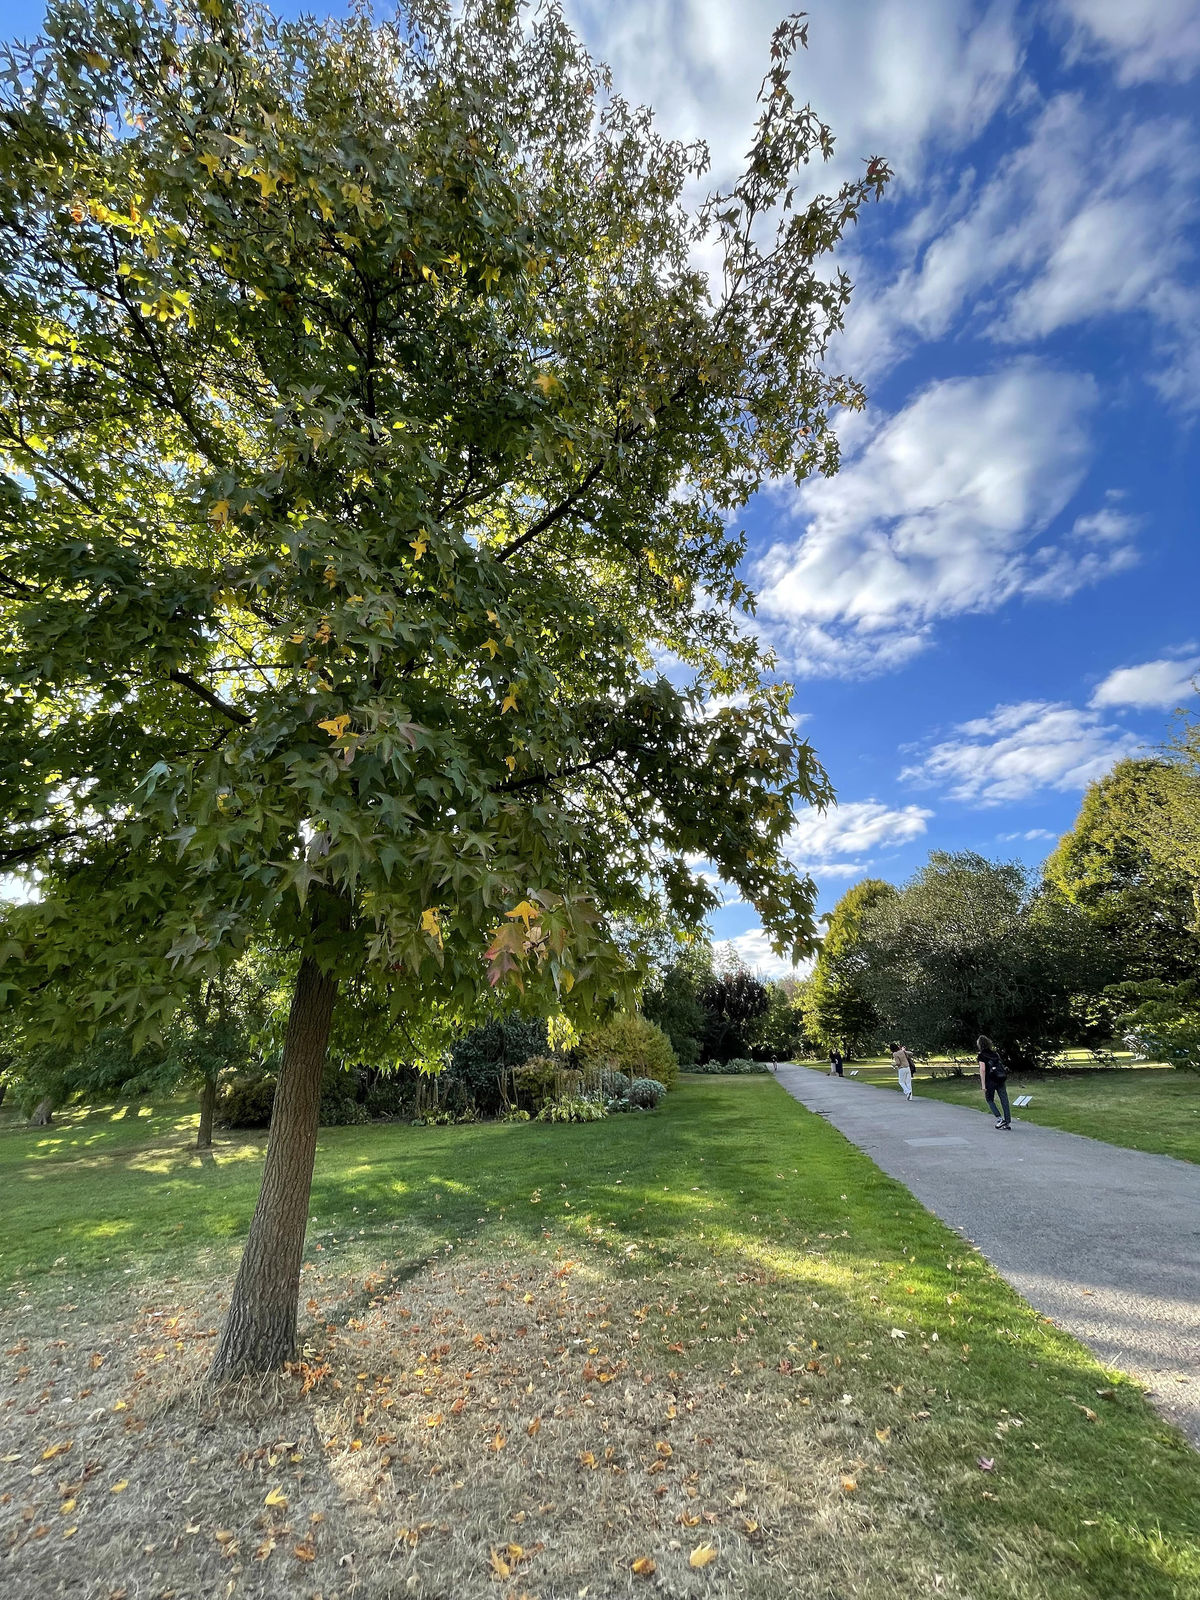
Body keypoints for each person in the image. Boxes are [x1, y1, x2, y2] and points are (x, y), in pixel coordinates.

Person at [977, 1034, 1011, 1129]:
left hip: (990, 1080)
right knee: (1004, 1099)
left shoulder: (981, 1055)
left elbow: (983, 1069)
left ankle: (1000, 1118)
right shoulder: (995, 1054)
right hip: (1000, 1078)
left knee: (989, 1100)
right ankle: (1007, 1122)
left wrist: (983, 1085)